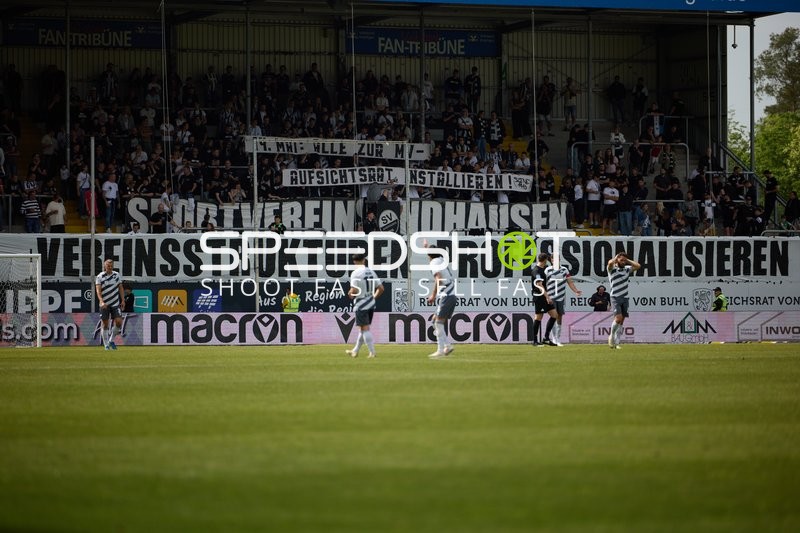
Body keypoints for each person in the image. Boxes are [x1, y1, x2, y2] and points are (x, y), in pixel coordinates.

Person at [346, 254, 384, 359]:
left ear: (354, 262)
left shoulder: (355, 273)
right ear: (364, 260)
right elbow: (381, 288)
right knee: (362, 329)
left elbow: (354, 290)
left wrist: (350, 293)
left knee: (365, 329)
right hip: (371, 304)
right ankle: (355, 351)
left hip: (361, 304)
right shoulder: (371, 272)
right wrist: (373, 298)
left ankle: (372, 352)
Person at [544, 255, 582, 346]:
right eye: (553, 259)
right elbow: (543, 283)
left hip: (561, 297)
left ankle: (558, 338)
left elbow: (570, 282)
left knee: (559, 317)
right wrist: (546, 296)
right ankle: (554, 339)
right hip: (551, 297)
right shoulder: (547, 270)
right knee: (553, 316)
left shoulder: (564, 270)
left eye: (557, 259)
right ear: (551, 260)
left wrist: (575, 291)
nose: (555, 260)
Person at [426, 245, 456, 358]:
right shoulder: (441, 260)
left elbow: (438, 278)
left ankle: (440, 350)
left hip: (447, 295)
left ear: (429, 255)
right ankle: (447, 346)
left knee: (438, 323)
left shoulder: (434, 262)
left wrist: (433, 295)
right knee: (435, 321)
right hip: (450, 294)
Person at [607, 252, 641, 349]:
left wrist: (627, 260)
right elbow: (609, 263)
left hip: (625, 297)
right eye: (621, 260)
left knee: (622, 321)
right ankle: (611, 336)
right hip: (615, 297)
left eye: (624, 260)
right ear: (617, 260)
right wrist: (616, 257)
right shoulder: (612, 269)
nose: (623, 262)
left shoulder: (626, 269)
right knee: (618, 318)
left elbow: (638, 266)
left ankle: (617, 343)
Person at [95, 259, 125, 350]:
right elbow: (98, 290)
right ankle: (106, 345)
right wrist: (101, 301)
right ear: (105, 266)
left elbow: (120, 287)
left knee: (119, 322)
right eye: (108, 266)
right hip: (105, 304)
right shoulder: (100, 276)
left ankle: (111, 340)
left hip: (115, 303)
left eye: (111, 266)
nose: (110, 267)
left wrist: (123, 300)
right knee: (105, 324)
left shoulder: (116, 275)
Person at [531, 253, 559, 347]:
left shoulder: (543, 269)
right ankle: (534, 341)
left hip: (544, 296)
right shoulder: (536, 271)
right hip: (539, 296)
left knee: (554, 315)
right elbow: (539, 285)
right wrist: (547, 297)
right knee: (538, 318)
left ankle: (546, 338)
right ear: (545, 260)